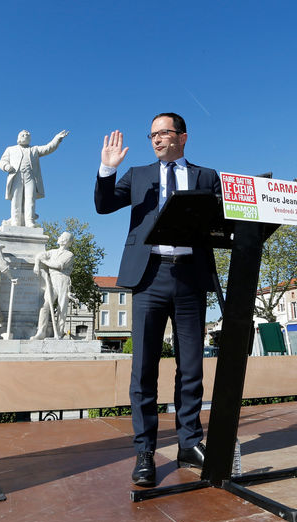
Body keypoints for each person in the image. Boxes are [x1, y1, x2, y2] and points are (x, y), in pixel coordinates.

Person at [94, 112, 221, 486]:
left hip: (191, 277)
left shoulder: (206, 176)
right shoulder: (137, 175)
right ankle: (145, 452)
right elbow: (103, 205)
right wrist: (107, 168)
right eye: (152, 135)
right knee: (144, 368)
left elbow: (220, 219)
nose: (156, 140)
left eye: (164, 133)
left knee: (192, 367)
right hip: (149, 277)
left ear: (183, 137)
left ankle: (189, 443)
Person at [0, 129, 68, 227]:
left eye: (27, 135)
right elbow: (2, 161)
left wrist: (57, 139)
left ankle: (29, 221)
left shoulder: (34, 149)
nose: (25, 136)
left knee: (30, 199)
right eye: (23, 135)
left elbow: (48, 148)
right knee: (16, 200)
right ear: (18, 137)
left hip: (30, 177)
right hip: (16, 176)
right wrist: (6, 166)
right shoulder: (10, 149)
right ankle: (15, 221)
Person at [31, 232, 75, 340]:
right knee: (45, 305)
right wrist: (37, 265)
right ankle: (41, 331)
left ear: (65, 240)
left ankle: (59, 332)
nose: (58, 237)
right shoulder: (53, 252)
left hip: (63, 280)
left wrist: (45, 262)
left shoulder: (69, 255)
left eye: (60, 236)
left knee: (62, 307)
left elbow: (59, 265)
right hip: (52, 280)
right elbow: (39, 255)